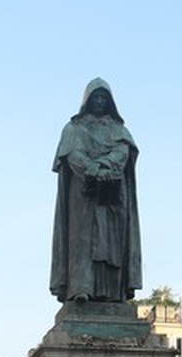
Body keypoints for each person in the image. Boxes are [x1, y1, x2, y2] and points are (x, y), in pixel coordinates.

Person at [50, 79, 142, 303]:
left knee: (111, 243)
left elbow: (123, 152)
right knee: (81, 241)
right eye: (95, 97)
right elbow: (72, 154)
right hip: (82, 193)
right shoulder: (74, 128)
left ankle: (112, 292)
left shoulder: (119, 130)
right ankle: (80, 288)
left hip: (112, 194)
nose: (99, 101)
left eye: (104, 98)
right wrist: (92, 170)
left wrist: (104, 167)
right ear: (87, 100)